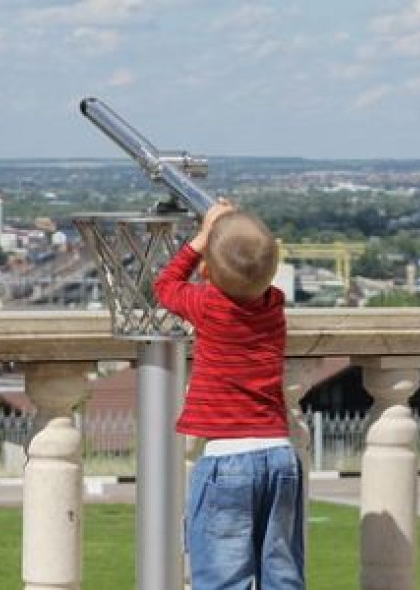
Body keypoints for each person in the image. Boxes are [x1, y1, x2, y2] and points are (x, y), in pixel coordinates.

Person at [154, 198, 304, 589]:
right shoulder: (274, 305)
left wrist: (203, 237)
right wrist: (224, 241)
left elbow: (165, 286)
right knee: (282, 573)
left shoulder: (208, 305)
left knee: (224, 579)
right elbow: (249, 276)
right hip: (280, 457)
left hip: (227, 462)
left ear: (207, 272)